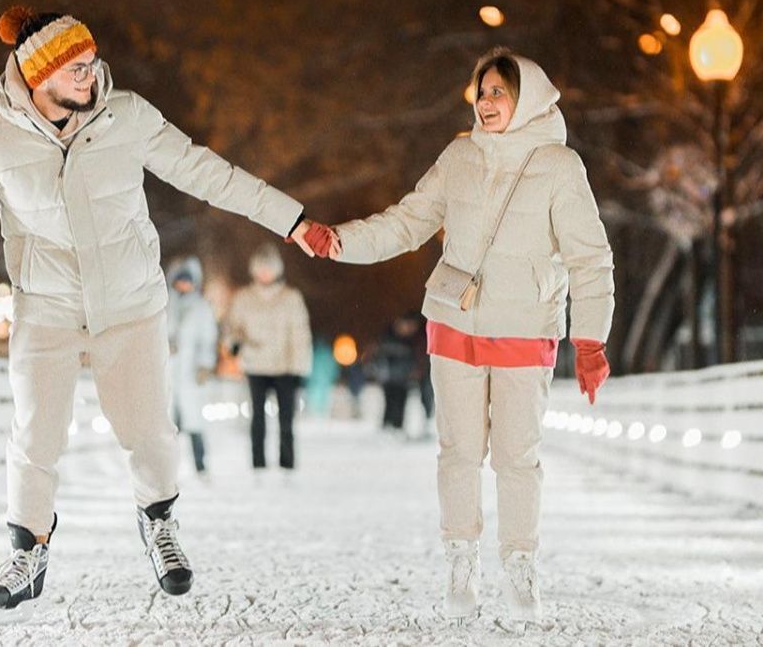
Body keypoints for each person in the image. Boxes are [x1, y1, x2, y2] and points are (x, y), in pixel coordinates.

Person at [0, 6, 322, 621]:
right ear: (38, 75)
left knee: (149, 431)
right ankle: (27, 553)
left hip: (130, 303)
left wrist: (290, 220)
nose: (91, 75)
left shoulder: (125, 116)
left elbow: (206, 172)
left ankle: (159, 523)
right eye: (76, 69)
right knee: (34, 435)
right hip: (46, 308)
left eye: (91, 63)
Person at [308, 47, 614, 623]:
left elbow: (591, 259)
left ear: (530, 97)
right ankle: (461, 559)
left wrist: (590, 338)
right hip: (455, 324)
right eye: (483, 91)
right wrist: (339, 241)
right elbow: (407, 221)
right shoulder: (458, 157)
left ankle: (520, 565)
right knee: (458, 452)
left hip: (525, 332)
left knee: (518, 457)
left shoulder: (559, 166)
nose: (488, 101)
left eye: (500, 91)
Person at [223, 244, 313, 473]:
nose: (264, 274)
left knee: (286, 419)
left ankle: (287, 464)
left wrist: (300, 368)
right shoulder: (243, 298)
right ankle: (258, 464)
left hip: (285, 368)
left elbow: (300, 335)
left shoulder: (291, 298)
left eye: (269, 269)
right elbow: (232, 327)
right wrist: (233, 344)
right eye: (261, 269)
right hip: (255, 365)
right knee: (257, 418)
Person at [166, 256, 217, 479]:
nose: (183, 285)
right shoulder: (166, 304)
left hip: (190, 373)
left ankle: (200, 465)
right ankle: (168, 468)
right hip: (167, 372)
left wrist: (205, 365)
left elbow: (208, 339)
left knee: (194, 420)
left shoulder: (201, 307)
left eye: (187, 281)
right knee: (167, 425)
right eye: (180, 281)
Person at [370, 312, 424, 436]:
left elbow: (413, 359)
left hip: (403, 378)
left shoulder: (410, 341)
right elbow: (381, 355)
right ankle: (387, 426)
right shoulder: (389, 337)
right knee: (390, 401)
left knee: (401, 401)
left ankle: (397, 427)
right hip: (389, 377)